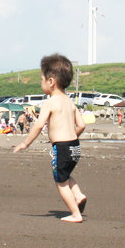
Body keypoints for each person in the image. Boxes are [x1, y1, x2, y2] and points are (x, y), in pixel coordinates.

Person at [14, 54, 87, 223]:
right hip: (75, 147)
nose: (41, 83)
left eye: (42, 79)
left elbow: (39, 126)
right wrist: (71, 139)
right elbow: (82, 125)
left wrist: (25, 143)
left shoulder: (49, 102)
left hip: (61, 147)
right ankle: (78, 195)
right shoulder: (70, 102)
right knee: (66, 174)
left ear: (51, 81)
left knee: (60, 183)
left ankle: (76, 214)